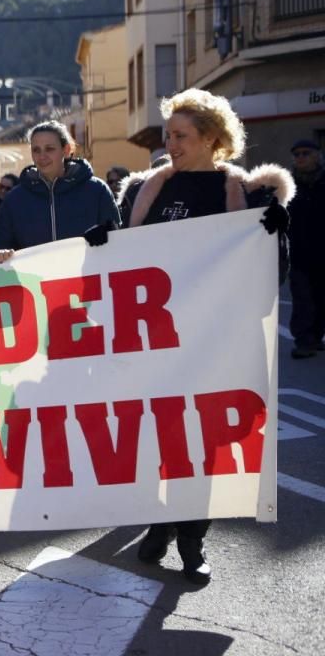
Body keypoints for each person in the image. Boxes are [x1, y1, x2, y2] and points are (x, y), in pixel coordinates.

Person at [113, 88, 292, 585]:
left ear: (213, 138)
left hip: (214, 343)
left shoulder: (242, 194)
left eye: (181, 136)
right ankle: (160, 520)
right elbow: (118, 262)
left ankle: (192, 540)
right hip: (155, 343)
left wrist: (275, 235)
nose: (171, 144)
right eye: (168, 135)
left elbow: (270, 276)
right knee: (159, 437)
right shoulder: (143, 193)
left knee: (204, 444)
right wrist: (101, 239)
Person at [0, 121, 120, 251]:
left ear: (66, 150)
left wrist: (108, 233)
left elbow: (119, 240)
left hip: (86, 270)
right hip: (33, 272)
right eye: (36, 150)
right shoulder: (14, 200)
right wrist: (4, 253)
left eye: (49, 149)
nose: (42, 156)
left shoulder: (97, 191)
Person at [288, 139, 324, 359]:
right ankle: (304, 341)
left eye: (305, 153)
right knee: (302, 300)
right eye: (297, 154)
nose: (300, 158)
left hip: (322, 252)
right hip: (299, 254)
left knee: (321, 299)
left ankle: (316, 336)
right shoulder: (288, 184)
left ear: (317, 156)